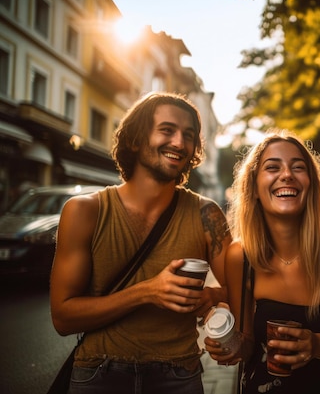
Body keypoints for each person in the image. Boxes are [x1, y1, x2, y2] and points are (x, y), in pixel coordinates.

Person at [50, 92, 232, 394]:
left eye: (189, 135)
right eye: (167, 130)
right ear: (135, 139)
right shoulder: (84, 211)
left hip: (179, 373)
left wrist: (212, 298)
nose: (179, 143)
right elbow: (63, 317)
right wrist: (147, 292)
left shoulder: (205, 213)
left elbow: (243, 290)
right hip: (98, 372)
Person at [205, 129, 320, 393]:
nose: (287, 174)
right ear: (254, 188)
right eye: (272, 167)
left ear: (310, 185)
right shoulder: (241, 255)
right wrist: (229, 344)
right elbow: (247, 341)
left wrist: (318, 345)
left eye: (298, 167)